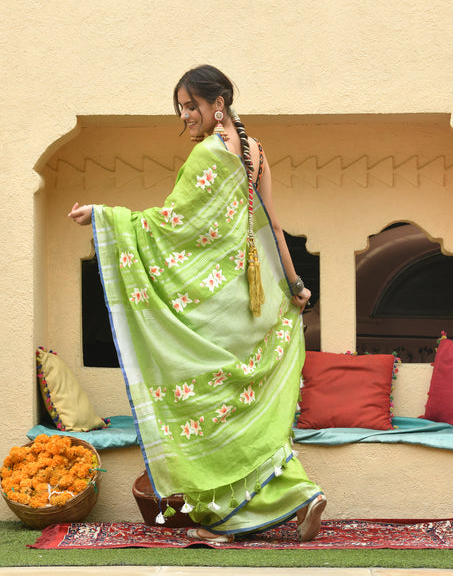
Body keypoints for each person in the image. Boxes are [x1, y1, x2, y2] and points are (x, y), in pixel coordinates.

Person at [68, 65, 326, 542]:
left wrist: (104, 217)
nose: (186, 116)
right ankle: (301, 494)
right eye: (181, 108)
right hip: (255, 299)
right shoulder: (255, 152)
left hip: (214, 305)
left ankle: (229, 518)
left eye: (192, 106)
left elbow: (169, 226)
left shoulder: (207, 156)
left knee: (206, 410)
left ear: (218, 104)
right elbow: (272, 226)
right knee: (240, 406)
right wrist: (294, 284)